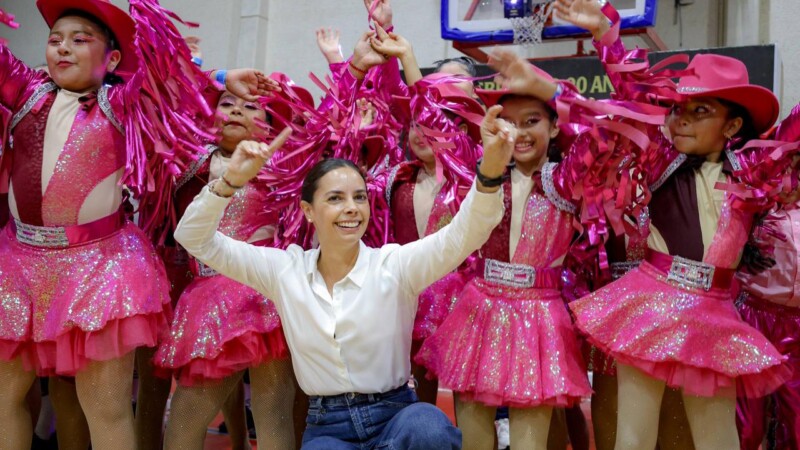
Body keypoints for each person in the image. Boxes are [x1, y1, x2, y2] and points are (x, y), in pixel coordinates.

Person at [173, 95, 521, 448]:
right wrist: (229, 182)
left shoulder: (395, 265)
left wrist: (490, 172)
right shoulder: (283, 270)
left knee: (428, 427)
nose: (351, 208)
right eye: (335, 198)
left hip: (396, 414)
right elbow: (193, 238)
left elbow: (467, 232)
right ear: (308, 211)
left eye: (359, 197)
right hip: (328, 427)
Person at [0, 1, 274, 448]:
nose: (63, 48)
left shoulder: (119, 102)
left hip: (98, 269)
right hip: (18, 266)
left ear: (111, 60)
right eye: (55, 40)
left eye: (79, 40)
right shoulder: (25, 91)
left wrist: (221, 79)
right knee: (3, 398)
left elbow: (167, 80)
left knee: (104, 405)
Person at [557, 1, 794, 449]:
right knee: (633, 436)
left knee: (717, 438)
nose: (681, 118)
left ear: (733, 125)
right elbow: (634, 89)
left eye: (700, 110)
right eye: (677, 108)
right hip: (649, 303)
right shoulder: (660, 157)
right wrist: (606, 32)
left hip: (715, 313)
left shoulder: (752, 174)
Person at [415, 48, 606, 450]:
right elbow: (431, 119)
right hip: (479, 309)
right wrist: (406, 56)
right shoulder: (482, 171)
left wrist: (547, 88)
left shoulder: (564, 178)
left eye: (531, 121)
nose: (518, 133)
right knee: (473, 440)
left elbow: (600, 129)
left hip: (539, 316)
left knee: (528, 444)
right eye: (509, 122)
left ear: (555, 126)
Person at [157, 90, 298, 450]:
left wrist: (351, 70)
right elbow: (163, 99)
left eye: (251, 107)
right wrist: (217, 79)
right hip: (208, 299)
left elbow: (325, 130)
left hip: (266, 295)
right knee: (187, 416)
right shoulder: (188, 158)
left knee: (273, 413)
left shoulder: (282, 164)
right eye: (226, 102)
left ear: (270, 127)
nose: (236, 110)